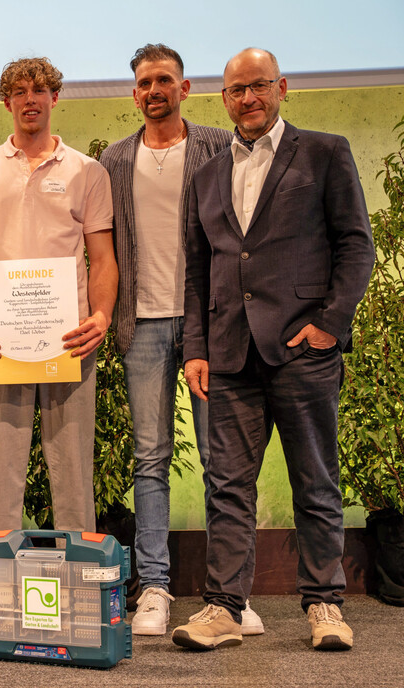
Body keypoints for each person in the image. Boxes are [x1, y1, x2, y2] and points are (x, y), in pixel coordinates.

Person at [172, 48, 374, 651]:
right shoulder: (205, 175)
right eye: (236, 90)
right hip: (230, 355)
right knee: (227, 487)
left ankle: (326, 606)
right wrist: (196, 348)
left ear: (281, 87)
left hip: (303, 351)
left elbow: (355, 246)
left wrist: (330, 326)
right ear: (224, 99)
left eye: (259, 86)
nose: (248, 98)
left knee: (315, 481)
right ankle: (224, 608)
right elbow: (198, 270)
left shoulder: (324, 152)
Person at [99, 44, 261, 637]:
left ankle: (231, 595)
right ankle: (156, 589)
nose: (153, 90)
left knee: (224, 462)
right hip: (140, 326)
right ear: (134, 92)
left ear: (186, 87)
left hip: (211, 329)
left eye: (164, 79)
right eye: (144, 82)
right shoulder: (114, 160)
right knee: (150, 460)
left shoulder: (222, 146)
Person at [0, 58, 118, 636]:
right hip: (0, 342)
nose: (30, 99)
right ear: (6, 102)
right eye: (19, 91)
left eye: (40, 90)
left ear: (55, 98)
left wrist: (100, 314)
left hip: (70, 338)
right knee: (0, 477)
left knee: (72, 472)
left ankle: (79, 602)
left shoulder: (87, 171)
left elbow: (102, 257)